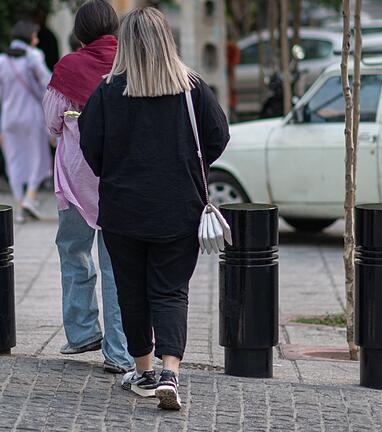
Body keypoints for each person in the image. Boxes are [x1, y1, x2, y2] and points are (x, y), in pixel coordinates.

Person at [79, 7, 230, 410]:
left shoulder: (108, 91)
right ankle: (171, 372)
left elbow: (89, 146)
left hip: (123, 209)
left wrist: (115, 171)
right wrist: (187, 168)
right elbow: (218, 136)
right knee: (170, 291)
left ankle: (143, 372)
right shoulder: (192, 88)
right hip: (179, 208)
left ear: (125, 44)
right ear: (168, 40)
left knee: (131, 291)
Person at [43, 0, 133, 375]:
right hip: (122, 181)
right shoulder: (132, 65)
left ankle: (82, 332)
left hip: (77, 180)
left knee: (74, 251)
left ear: (79, 33)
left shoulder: (68, 68)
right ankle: (120, 351)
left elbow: (51, 125)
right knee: (119, 267)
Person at [0, 21, 53, 223]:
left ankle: (19, 204)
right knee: (38, 157)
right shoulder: (34, 56)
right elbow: (48, 83)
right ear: (29, 37)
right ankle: (30, 197)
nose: (37, 40)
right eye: (35, 35)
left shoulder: (0, 60)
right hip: (32, 115)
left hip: (8, 117)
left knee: (13, 160)